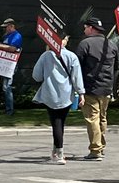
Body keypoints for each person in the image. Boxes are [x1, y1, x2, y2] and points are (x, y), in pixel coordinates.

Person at [32, 35, 84, 164]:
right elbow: (77, 77)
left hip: (50, 94)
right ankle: (57, 151)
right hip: (66, 94)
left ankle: (58, 152)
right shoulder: (72, 56)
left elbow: (36, 76)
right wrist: (81, 93)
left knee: (56, 122)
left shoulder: (45, 56)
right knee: (60, 122)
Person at [76, 17, 119, 161]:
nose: (84, 29)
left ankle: (95, 150)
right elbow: (117, 66)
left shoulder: (85, 44)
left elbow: (77, 66)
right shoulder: (111, 45)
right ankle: (101, 146)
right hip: (106, 88)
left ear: (91, 28)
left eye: (85, 27)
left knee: (92, 118)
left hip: (90, 87)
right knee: (102, 117)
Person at [0, 17, 23, 116]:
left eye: (6, 27)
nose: (5, 29)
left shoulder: (16, 36)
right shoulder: (6, 36)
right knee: (4, 87)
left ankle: (9, 111)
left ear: (12, 26)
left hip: (11, 64)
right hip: (4, 63)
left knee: (7, 86)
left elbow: (13, 48)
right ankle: (7, 108)